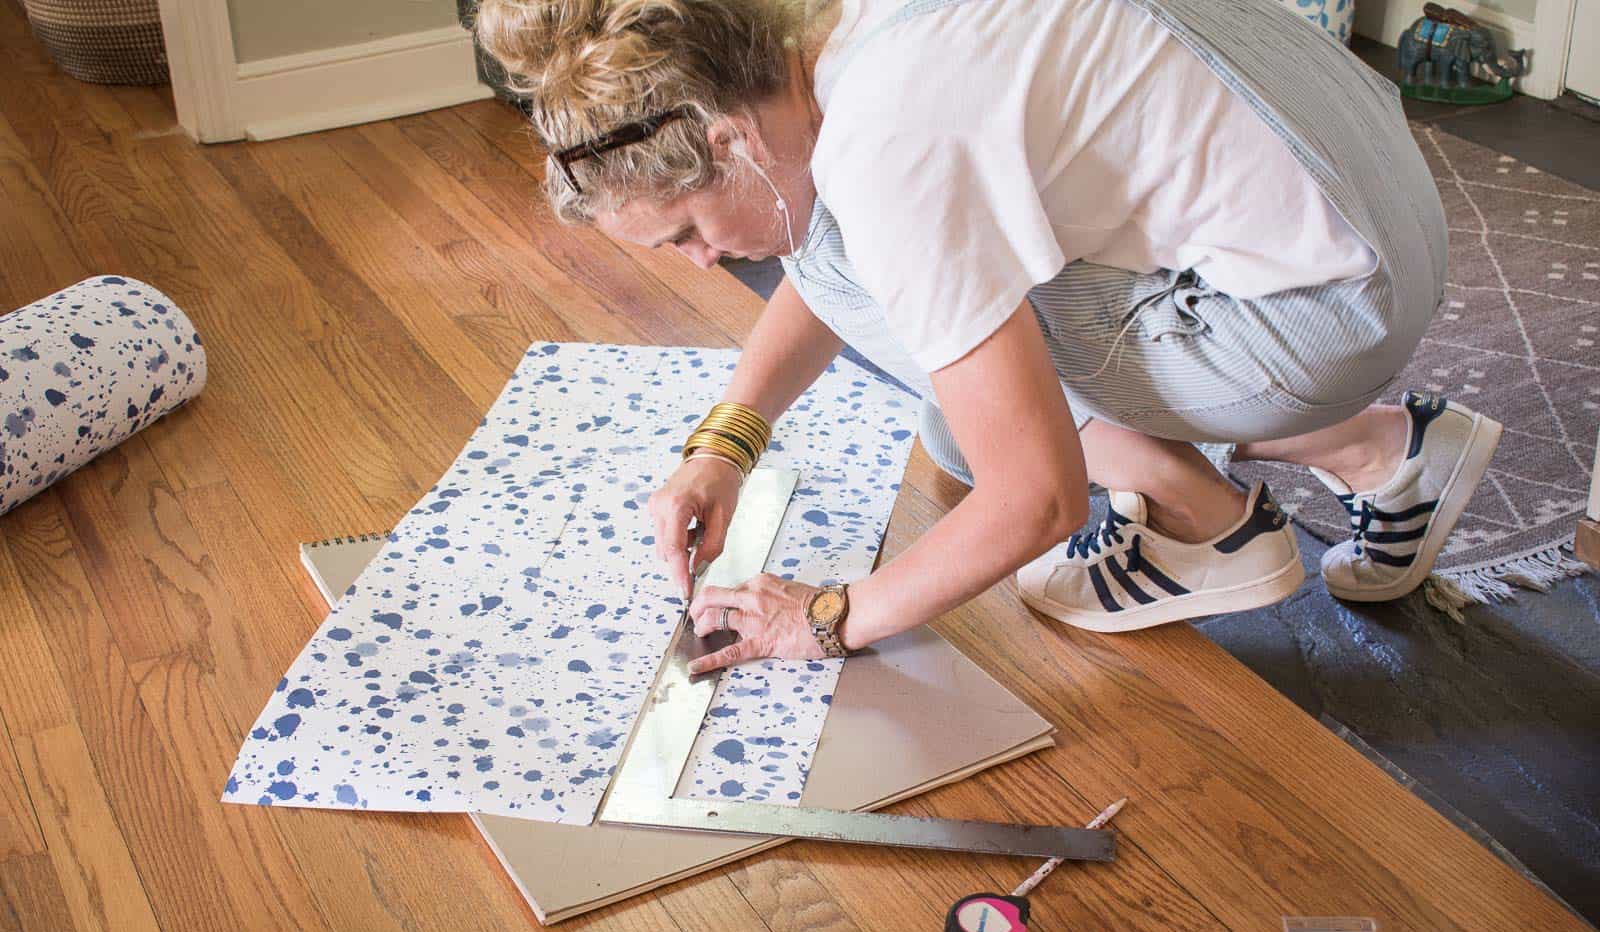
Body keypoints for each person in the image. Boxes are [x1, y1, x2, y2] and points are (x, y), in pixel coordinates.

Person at [473, 0, 1502, 673]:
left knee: (913, 339)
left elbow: (1038, 497)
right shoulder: (827, 35)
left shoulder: (882, 142)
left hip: (1322, 307)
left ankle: (1212, 528)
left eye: (688, 231)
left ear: (729, 140)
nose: (699, 260)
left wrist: (825, 615)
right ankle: (1380, 448)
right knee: (957, 417)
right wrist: (724, 442)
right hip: (1373, 196)